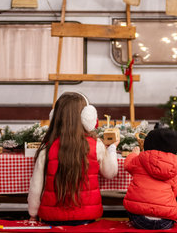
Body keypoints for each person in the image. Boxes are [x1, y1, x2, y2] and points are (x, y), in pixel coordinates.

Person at [27, 92, 119, 226]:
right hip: (86, 218)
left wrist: (32, 214)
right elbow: (110, 173)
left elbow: (35, 187)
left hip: (51, 219)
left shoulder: (46, 149)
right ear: (87, 117)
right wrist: (111, 149)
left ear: (55, 117)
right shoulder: (96, 145)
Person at [123, 124, 177, 230]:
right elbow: (174, 191)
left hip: (139, 219)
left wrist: (133, 154)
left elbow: (127, 165)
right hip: (165, 221)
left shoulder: (140, 158)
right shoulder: (173, 165)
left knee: (132, 207)